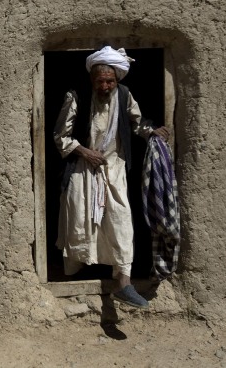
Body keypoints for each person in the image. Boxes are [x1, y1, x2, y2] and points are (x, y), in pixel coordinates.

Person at [53, 45, 170, 309]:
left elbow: (137, 122)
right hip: (83, 169)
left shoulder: (125, 95)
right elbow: (61, 137)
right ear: (91, 79)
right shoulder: (76, 96)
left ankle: (123, 284)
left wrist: (152, 132)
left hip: (114, 167)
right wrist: (85, 152)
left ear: (117, 80)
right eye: (100, 81)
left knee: (120, 220)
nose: (105, 86)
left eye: (110, 81)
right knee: (79, 223)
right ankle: (71, 280)